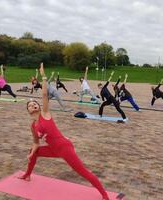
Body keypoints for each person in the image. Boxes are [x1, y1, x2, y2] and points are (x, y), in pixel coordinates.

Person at [18, 63, 110, 200]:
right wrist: (31, 153)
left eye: (34, 103)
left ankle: (104, 195)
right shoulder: (33, 126)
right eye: (30, 106)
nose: (33, 105)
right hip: (53, 149)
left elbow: (44, 94)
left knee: (82, 172)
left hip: (64, 147)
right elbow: (35, 143)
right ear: (29, 111)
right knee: (33, 151)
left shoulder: (45, 113)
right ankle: (27, 175)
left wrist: (43, 76)